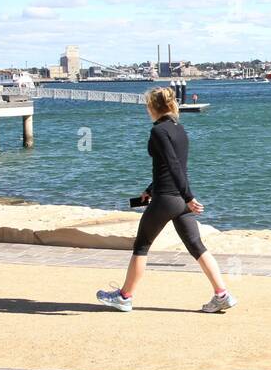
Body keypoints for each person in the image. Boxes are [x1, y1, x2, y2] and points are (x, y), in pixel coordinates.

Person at [97, 87, 237, 314]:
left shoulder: (158, 131)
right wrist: (151, 190)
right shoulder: (179, 129)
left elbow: (172, 166)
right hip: (176, 198)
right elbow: (173, 167)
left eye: (147, 105)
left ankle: (124, 297)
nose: (146, 109)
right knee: (197, 246)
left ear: (153, 107)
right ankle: (222, 295)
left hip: (168, 199)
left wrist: (189, 196)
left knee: (141, 247)